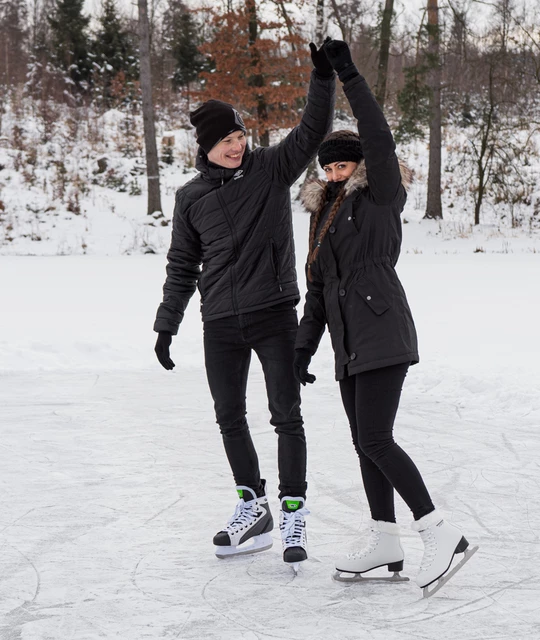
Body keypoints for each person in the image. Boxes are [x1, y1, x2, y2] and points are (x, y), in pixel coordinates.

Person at [294, 39, 476, 594]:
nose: (336, 168)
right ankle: (384, 536)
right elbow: (318, 294)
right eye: (328, 164)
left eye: (344, 160)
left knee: (375, 437)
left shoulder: (378, 198)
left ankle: (438, 530)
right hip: (348, 344)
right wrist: (302, 350)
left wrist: (346, 74)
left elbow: (377, 133)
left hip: (382, 330)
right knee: (364, 441)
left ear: (361, 165)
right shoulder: (321, 217)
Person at [153, 42, 336, 570]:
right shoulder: (190, 198)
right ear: (205, 148)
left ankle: (294, 511)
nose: (236, 146)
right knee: (229, 417)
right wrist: (168, 325)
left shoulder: (272, 169)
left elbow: (311, 129)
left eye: (239, 137)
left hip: (274, 312)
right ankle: (252, 507)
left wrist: (320, 77)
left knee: (286, 416)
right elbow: (182, 265)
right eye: (226, 141)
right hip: (220, 322)